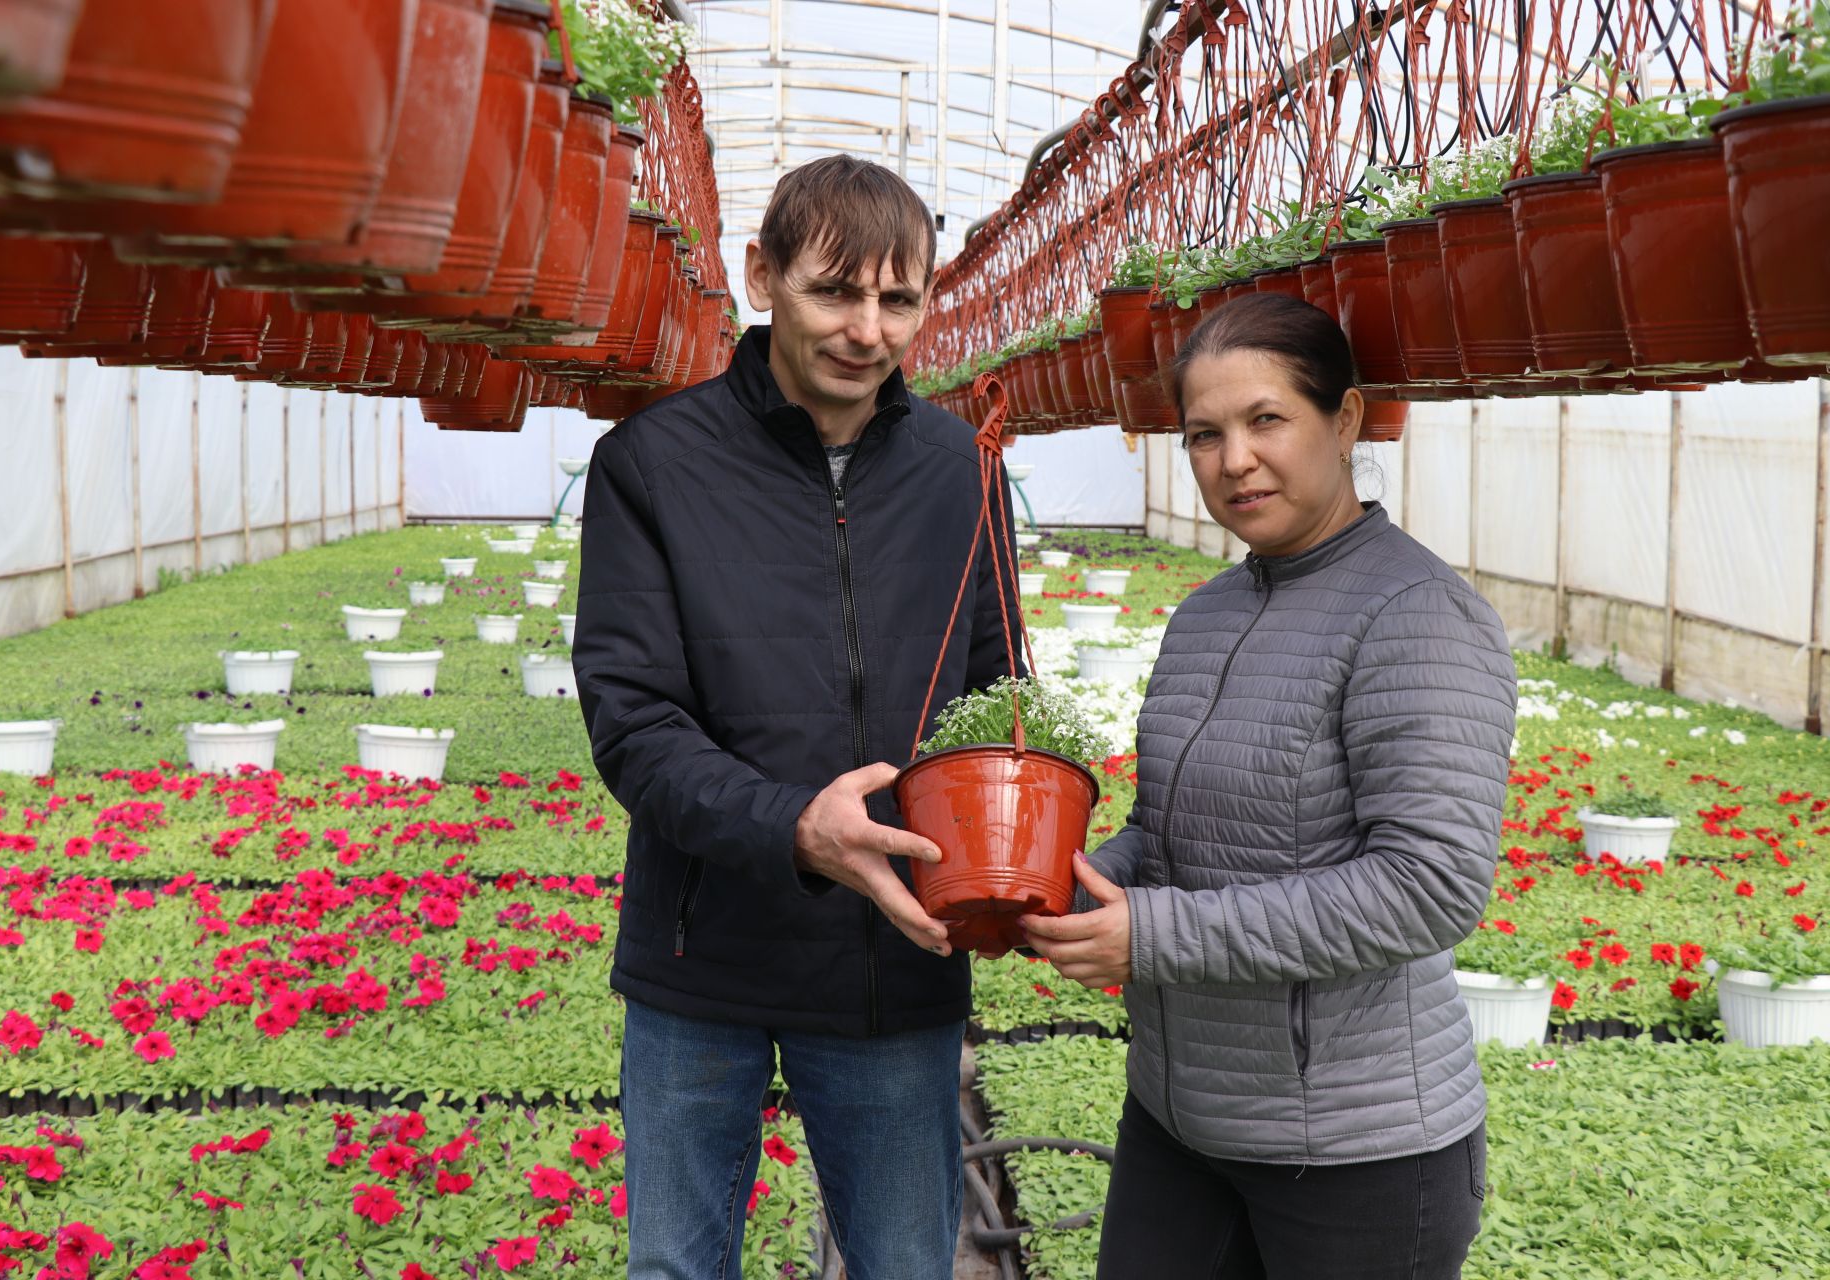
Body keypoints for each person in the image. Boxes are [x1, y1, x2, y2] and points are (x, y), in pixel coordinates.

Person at [573, 154, 1020, 1280]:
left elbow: (996, 689)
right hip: (699, 953)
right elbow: (633, 721)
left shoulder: (962, 471)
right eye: (836, 290)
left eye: (899, 299)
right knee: (676, 1265)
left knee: (904, 1263)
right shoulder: (652, 465)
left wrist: (1007, 858)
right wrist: (796, 828)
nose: (867, 330)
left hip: (889, 961)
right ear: (762, 274)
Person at [1020, 291, 1516, 1279]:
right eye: (1204, 433)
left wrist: (1150, 935)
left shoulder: (1418, 613)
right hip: (1180, 1116)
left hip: (1357, 1154)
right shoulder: (1204, 614)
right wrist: (1060, 878)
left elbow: (1429, 884)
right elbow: (1164, 833)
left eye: (1265, 420)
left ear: (1345, 419)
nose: (1233, 459)